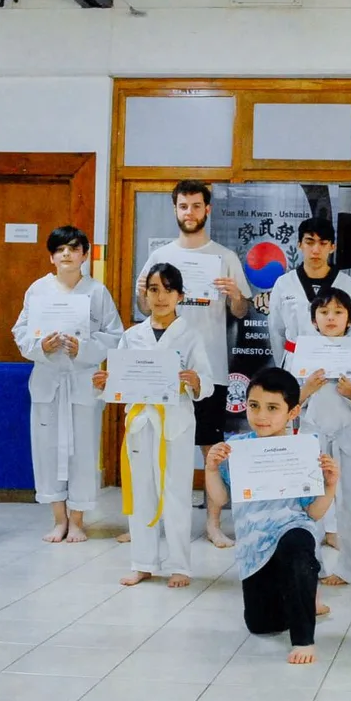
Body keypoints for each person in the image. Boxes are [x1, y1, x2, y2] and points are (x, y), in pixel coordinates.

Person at [137, 180, 251, 549]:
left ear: (207, 210)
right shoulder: (159, 257)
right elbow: (143, 309)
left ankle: (213, 524)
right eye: (183, 206)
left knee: (210, 451)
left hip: (209, 369)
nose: (190, 213)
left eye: (196, 206)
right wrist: (142, 294)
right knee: (157, 448)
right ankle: (152, 523)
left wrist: (235, 295)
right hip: (161, 370)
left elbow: (240, 311)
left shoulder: (224, 257)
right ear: (175, 210)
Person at [204, 368, 340, 665]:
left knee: (298, 548)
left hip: (293, 529)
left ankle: (304, 637)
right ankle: (300, 598)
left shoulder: (304, 450)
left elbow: (313, 512)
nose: (261, 415)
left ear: (292, 411)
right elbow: (221, 498)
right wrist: (211, 469)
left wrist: (329, 486)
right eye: (254, 406)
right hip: (254, 548)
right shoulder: (236, 448)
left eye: (272, 408)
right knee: (263, 626)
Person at [95, 263, 212, 587]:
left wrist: (195, 381)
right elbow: (118, 383)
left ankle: (180, 566)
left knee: (175, 493)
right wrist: (105, 381)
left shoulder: (190, 336)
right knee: (141, 490)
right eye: (154, 290)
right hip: (141, 422)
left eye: (168, 290)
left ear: (180, 296)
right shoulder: (132, 336)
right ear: (145, 295)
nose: (161, 297)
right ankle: (143, 562)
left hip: (175, 422)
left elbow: (208, 383)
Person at [13, 226, 124, 544]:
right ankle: (58, 519)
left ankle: (78, 521)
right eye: (60, 249)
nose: (66, 254)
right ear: (51, 256)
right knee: (46, 450)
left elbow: (114, 334)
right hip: (48, 380)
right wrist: (40, 348)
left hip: (81, 380)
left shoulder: (96, 291)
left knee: (83, 451)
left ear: (85, 255)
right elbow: (21, 332)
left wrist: (84, 349)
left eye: (74, 248)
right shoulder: (37, 290)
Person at [295, 287, 351, 585]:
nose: (330, 318)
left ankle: (348, 567)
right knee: (311, 505)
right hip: (313, 437)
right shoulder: (302, 354)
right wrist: (305, 389)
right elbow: (284, 398)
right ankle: (314, 565)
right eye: (323, 312)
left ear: (349, 320)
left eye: (338, 312)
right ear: (313, 320)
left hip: (349, 437)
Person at [267, 217, 351, 367]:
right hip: (294, 361)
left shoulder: (347, 284)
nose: (316, 250)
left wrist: (344, 362)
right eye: (309, 242)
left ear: (333, 247)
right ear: (300, 245)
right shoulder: (284, 283)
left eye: (323, 243)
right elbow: (276, 331)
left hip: (334, 362)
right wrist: (285, 363)